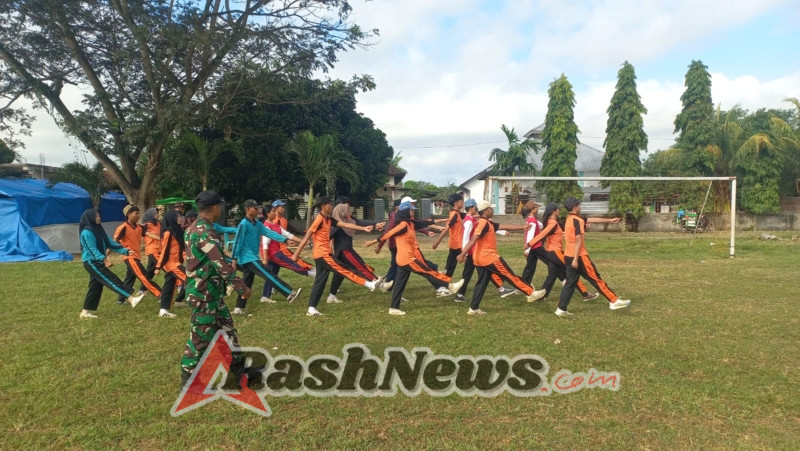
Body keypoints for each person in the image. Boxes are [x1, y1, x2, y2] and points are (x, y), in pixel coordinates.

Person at [180, 190, 251, 387]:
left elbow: (213, 257)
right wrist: (241, 286)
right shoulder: (205, 231)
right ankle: (188, 380)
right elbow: (219, 263)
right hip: (204, 294)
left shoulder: (194, 228)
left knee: (228, 332)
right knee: (200, 338)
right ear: (215, 207)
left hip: (211, 294)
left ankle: (240, 372)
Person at [292, 196, 380, 316]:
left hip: (321, 255)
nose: (332, 206)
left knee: (320, 281)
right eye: (329, 204)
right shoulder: (319, 219)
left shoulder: (329, 219)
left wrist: (363, 228)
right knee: (344, 270)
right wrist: (296, 254)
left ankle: (311, 309)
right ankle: (369, 284)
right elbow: (307, 236)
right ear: (323, 206)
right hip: (322, 254)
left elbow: (344, 224)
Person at [458, 200, 546, 315]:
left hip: (481, 259)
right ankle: (531, 293)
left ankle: (473, 308)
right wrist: (462, 254)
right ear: (485, 211)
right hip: (489, 258)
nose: (492, 210)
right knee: (510, 276)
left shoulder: (487, 223)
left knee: (482, 283)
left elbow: (503, 226)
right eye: (491, 208)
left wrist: (522, 227)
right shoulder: (483, 223)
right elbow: (473, 239)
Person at [377, 201, 464, 315]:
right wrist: (375, 241)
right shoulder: (403, 225)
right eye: (412, 210)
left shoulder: (410, 223)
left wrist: (440, 221)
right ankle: (450, 286)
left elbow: (425, 222)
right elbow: (388, 234)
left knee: (400, 283)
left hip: (405, 259)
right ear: (406, 211)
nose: (413, 211)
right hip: (407, 259)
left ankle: (394, 308)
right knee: (426, 271)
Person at [556, 197, 630, 317]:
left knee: (570, 283)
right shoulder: (578, 220)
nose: (580, 207)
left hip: (568, 255)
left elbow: (592, 219)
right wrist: (576, 259)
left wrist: (610, 220)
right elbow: (578, 240)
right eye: (579, 205)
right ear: (575, 207)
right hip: (578, 256)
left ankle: (561, 309)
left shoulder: (569, 219)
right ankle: (614, 301)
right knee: (596, 279)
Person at [231, 199, 301, 316]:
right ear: (248, 209)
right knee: (268, 273)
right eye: (255, 208)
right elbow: (237, 243)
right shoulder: (243, 224)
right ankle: (289, 293)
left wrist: (285, 240)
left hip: (252, 256)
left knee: (247, 283)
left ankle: (239, 308)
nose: (258, 210)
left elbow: (269, 233)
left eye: (258, 207)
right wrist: (234, 261)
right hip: (248, 258)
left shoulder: (257, 223)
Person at [78, 209, 145, 318]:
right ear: (90, 218)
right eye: (97, 216)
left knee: (95, 287)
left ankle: (84, 312)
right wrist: (104, 260)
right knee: (111, 279)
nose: (99, 218)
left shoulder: (98, 229)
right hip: (91, 262)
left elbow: (110, 243)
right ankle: (131, 298)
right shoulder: (86, 232)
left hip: (97, 261)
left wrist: (125, 251)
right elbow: (91, 249)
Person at [527, 202, 598, 302]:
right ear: (554, 211)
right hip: (555, 252)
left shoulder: (552, 222)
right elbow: (543, 234)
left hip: (549, 253)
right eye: (558, 209)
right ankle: (585, 294)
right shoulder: (552, 223)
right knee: (572, 271)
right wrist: (530, 244)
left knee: (552, 274)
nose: (559, 211)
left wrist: (584, 225)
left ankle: (542, 296)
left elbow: (566, 228)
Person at [326, 196, 387, 303]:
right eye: (347, 206)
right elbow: (329, 235)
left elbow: (359, 223)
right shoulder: (337, 222)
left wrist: (375, 224)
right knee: (361, 266)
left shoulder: (348, 219)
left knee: (340, 274)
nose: (348, 209)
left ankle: (331, 296)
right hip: (345, 250)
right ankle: (381, 285)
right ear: (341, 207)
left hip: (342, 251)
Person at [454, 199, 510, 302]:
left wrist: (502, 232)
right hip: (472, 252)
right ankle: (501, 289)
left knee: (475, 273)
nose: (477, 209)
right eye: (476, 207)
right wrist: (464, 254)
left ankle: (460, 294)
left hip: (474, 252)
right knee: (476, 273)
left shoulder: (473, 219)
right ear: (472, 208)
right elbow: (466, 237)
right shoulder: (469, 221)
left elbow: (486, 229)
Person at [259, 203, 315, 303]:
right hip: (273, 254)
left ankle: (265, 296)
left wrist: (302, 241)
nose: (275, 213)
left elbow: (288, 234)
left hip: (274, 253)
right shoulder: (266, 227)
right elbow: (265, 244)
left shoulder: (275, 225)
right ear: (268, 214)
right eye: (273, 211)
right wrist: (265, 259)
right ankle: (312, 274)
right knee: (291, 264)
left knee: (272, 274)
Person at [114, 205, 162, 306]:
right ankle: (160, 294)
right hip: (130, 257)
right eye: (136, 213)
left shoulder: (139, 227)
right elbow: (114, 243)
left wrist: (162, 239)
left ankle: (121, 299)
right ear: (129, 215)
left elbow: (149, 234)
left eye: (139, 213)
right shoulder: (123, 227)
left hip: (136, 256)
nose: (138, 215)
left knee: (129, 278)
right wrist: (105, 257)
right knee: (144, 276)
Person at [154, 210, 187, 318]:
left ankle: (163, 311)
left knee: (169, 286)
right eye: (178, 216)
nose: (180, 218)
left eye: (181, 216)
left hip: (176, 262)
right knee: (190, 279)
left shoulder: (178, 231)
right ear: (172, 218)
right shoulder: (168, 233)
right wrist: (158, 266)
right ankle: (202, 305)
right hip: (171, 264)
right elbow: (164, 251)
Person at [431, 193, 465, 277]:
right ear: (456, 203)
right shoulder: (454, 214)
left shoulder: (457, 213)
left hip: (454, 244)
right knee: (472, 262)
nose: (463, 203)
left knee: (450, 267)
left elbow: (470, 215)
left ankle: (443, 284)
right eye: (461, 201)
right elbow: (446, 228)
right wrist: (437, 242)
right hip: (458, 244)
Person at [520, 200, 548, 286]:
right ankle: (564, 279)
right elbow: (530, 236)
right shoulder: (532, 221)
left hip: (533, 247)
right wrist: (527, 250)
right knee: (551, 261)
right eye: (536, 208)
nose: (538, 209)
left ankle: (523, 285)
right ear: (533, 209)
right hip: (536, 247)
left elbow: (541, 226)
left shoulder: (530, 219)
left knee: (530, 267)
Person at [139, 208, 162, 294]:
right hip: (152, 250)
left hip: (159, 249)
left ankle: (142, 289)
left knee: (150, 270)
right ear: (151, 214)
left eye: (158, 213)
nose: (158, 214)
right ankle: (179, 285)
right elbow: (146, 234)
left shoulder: (159, 224)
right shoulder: (145, 225)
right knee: (166, 266)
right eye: (156, 213)